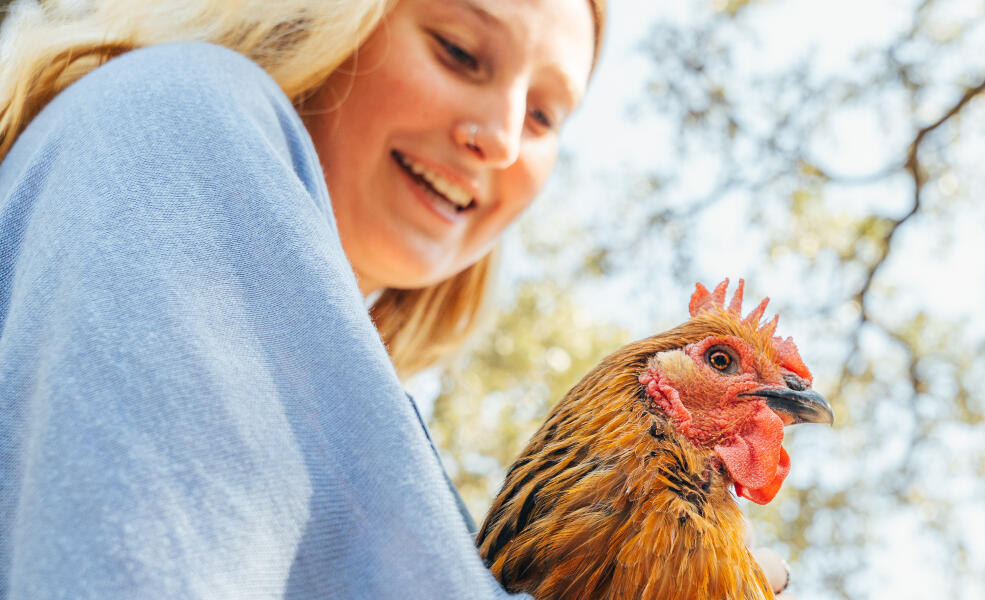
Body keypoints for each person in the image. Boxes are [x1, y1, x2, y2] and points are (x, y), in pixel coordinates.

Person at [0, 0, 790, 597]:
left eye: (546, 114)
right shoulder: (182, 114)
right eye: (458, 51)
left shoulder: (361, 428)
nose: (505, 138)